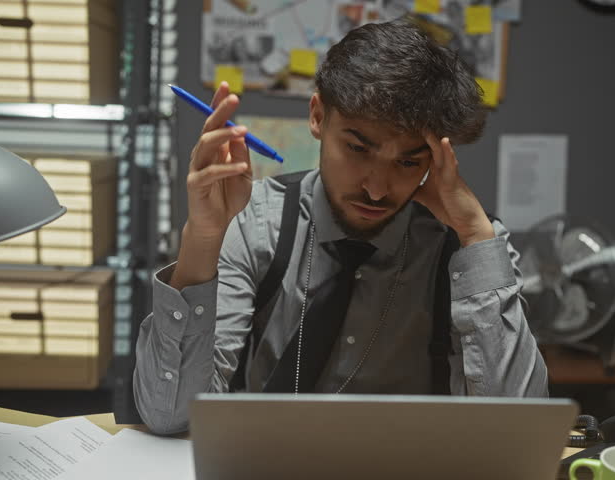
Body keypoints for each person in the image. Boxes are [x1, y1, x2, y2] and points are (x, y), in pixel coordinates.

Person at [134, 19, 547, 435]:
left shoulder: (469, 246)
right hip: (259, 457)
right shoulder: (256, 221)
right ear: (317, 117)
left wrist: (475, 236)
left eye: (408, 162)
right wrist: (202, 241)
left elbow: (517, 431)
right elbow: (170, 417)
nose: (376, 188)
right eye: (357, 148)